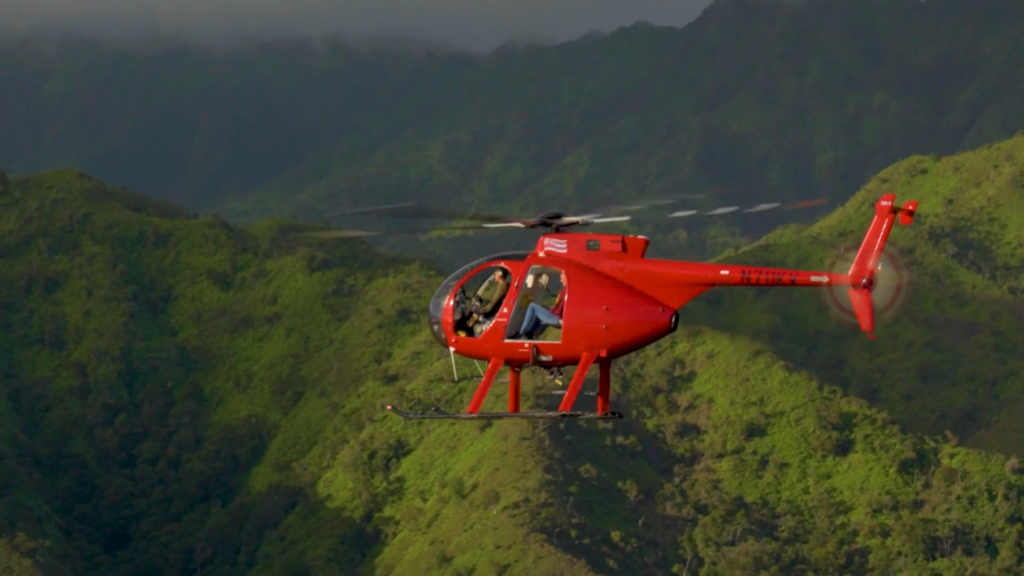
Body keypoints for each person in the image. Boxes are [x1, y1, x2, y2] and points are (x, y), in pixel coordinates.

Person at [512, 271, 567, 340]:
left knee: (532, 307)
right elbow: (560, 306)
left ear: (567, 278)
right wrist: (549, 309)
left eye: (562, 278)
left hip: (558, 319)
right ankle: (530, 333)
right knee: (542, 308)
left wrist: (551, 311)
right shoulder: (566, 290)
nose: (561, 281)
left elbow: (560, 308)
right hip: (557, 316)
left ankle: (520, 333)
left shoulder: (565, 291)